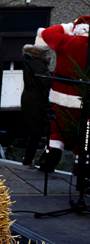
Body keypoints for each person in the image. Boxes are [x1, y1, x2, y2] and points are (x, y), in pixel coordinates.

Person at [39, 16, 90, 172]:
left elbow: (47, 32)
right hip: (84, 97)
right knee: (83, 133)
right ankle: (80, 167)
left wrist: (67, 27)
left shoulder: (65, 41)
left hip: (59, 95)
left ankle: (49, 161)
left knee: (56, 131)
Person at [21, 34, 55, 167]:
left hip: (33, 98)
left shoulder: (31, 59)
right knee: (36, 132)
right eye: (48, 50)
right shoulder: (37, 62)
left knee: (35, 131)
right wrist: (55, 77)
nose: (50, 52)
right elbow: (45, 81)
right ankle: (29, 161)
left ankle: (29, 159)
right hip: (36, 100)